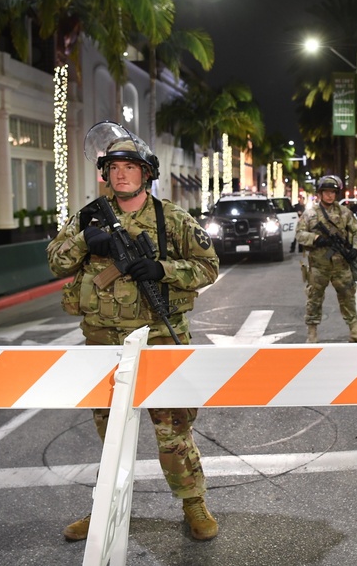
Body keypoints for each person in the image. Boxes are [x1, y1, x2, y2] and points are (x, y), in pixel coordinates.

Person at [47, 121, 221, 542]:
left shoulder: (173, 219)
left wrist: (163, 268)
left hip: (160, 336)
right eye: (113, 166)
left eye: (130, 166)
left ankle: (194, 503)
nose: (121, 173)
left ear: (146, 173)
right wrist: (87, 242)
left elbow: (209, 267)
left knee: (173, 431)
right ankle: (103, 508)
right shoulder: (88, 217)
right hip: (104, 342)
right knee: (111, 436)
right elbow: (56, 263)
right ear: (104, 174)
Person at [295, 175, 357, 344]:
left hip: (341, 264)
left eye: (333, 192)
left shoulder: (345, 213)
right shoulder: (310, 214)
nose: (329, 195)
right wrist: (315, 239)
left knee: (348, 296)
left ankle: (354, 330)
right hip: (318, 265)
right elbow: (299, 234)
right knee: (314, 298)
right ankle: (312, 332)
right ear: (320, 194)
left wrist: (355, 250)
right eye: (326, 192)